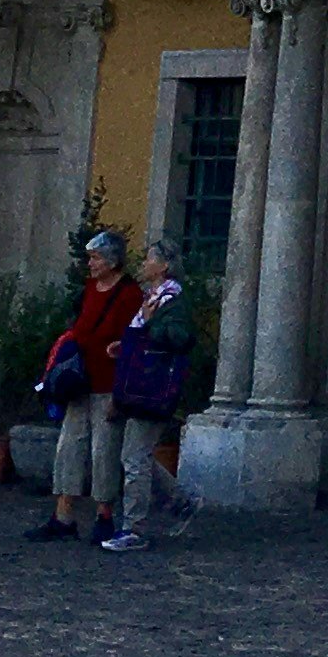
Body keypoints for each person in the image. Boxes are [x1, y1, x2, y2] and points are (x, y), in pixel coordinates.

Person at [28, 228, 143, 544]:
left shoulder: (130, 294)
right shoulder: (91, 289)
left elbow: (133, 343)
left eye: (94, 258)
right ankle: (63, 515)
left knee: (104, 451)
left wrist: (121, 391)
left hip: (108, 384)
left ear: (111, 260)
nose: (90, 264)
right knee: (70, 447)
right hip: (80, 382)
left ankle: (104, 515)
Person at [97, 235, 204, 554]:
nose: (143, 264)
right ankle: (181, 501)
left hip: (152, 388)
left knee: (134, 457)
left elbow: (180, 337)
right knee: (135, 455)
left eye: (149, 259)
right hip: (140, 384)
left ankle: (134, 527)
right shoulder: (154, 297)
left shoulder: (171, 301)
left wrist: (148, 330)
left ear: (164, 266)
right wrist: (128, 345)